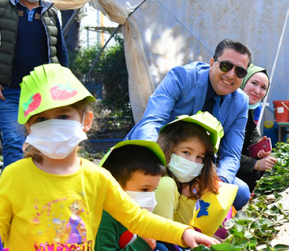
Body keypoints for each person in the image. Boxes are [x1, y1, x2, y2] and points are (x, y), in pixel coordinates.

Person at [0, 64, 218, 249]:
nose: (53, 124)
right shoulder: (13, 177)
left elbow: (137, 218)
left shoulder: (97, 178)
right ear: (28, 127)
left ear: (86, 120)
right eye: (41, 119)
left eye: (63, 116)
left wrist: (183, 232)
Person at [126, 39, 252, 210]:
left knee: (241, 192)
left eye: (240, 71)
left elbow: (231, 154)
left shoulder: (241, 102)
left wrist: (219, 181)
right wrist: (154, 162)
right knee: (163, 189)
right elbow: (152, 121)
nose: (231, 75)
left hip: (197, 166)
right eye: (226, 66)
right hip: (162, 158)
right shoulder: (182, 77)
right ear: (212, 63)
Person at [0, 0, 69, 168]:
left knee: (42, 144)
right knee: (14, 143)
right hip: (9, 92)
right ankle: (14, 194)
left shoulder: (51, 12)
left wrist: (64, 86)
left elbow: (60, 52)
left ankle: (39, 190)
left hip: (43, 93)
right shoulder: (2, 7)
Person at [96, 140, 167, 251]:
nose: (151, 197)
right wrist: (142, 245)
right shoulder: (104, 221)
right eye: (144, 189)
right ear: (114, 187)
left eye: (154, 189)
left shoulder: (135, 214)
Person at [154, 112, 221, 227]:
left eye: (200, 157)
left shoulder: (183, 186)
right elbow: (166, 236)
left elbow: (182, 229)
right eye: (186, 152)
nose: (192, 162)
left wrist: (187, 197)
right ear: (168, 149)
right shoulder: (166, 184)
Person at [236, 65, 277, 192]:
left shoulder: (249, 109)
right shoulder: (230, 108)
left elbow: (252, 131)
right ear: (243, 81)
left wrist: (258, 143)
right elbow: (224, 152)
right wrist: (255, 164)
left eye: (263, 88)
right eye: (254, 83)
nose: (257, 91)